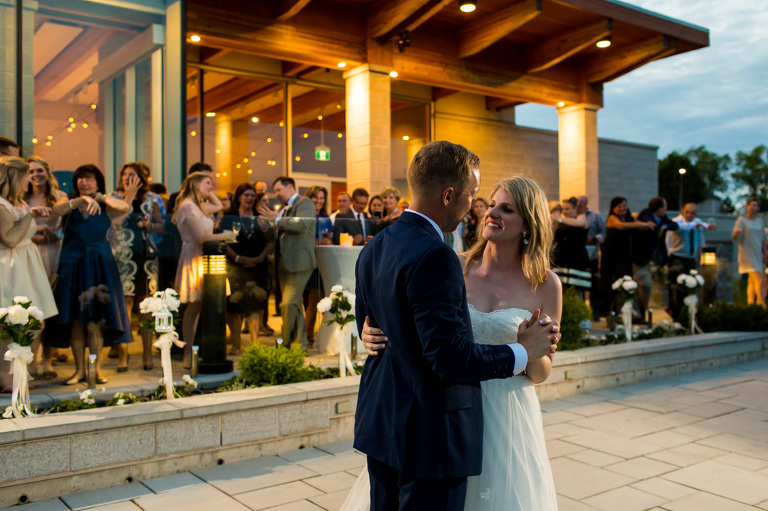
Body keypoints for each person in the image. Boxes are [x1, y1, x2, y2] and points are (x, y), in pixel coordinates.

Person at [348, 141, 559, 511]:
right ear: (449, 195)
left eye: (505, 208)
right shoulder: (448, 261)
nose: (485, 210)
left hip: (499, 417)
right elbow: (441, 352)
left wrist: (535, 353)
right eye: (483, 200)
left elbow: (541, 371)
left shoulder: (377, 244)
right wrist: (369, 335)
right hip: (438, 421)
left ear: (530, 224)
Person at [47, 164, 132, 385]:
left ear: (98, 182)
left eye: (90, 178)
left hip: (98, 263)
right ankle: (78, 371)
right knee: (75, 319)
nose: (85, 182)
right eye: (81, 178)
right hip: (72, 263)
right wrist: (81, 200)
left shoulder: (106, 203)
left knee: (96, 320)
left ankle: (96, 369)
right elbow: (56, 211)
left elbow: (124, 208)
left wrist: (100, 198)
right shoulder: (68, 201)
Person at [0, 156, 58, 390]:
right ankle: (6, 378)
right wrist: (30, 217)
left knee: (34, 321)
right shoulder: (2, 206)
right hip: (11, 266)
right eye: (26, 175)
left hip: (27, 264)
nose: (29, 180)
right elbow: (10, 239)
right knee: (11, 322)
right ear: (14, 178)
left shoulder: (19, 202)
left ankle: (21, 372)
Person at [174, 172, 236, 368]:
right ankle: (188, 351)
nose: (211, 187)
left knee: (202, 305)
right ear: (195, 184)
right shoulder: (186, 206)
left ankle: (202, 348)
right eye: (207, 183)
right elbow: (200, 236)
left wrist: (207, 192)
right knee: (194, 306)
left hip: (207, 256)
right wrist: (226, 235)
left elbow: (219, 206)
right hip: (194, 255)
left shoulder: (200, 206)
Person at [109, 162, 164, 371]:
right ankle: (124, 356)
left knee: (147, 307)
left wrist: (148, 225)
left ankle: (147, 355)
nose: (127, 179)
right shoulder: (114, 197)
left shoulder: (152, 199)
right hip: (123, 256)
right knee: (125, 306)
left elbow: (161, 225)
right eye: (124, 175)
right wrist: (129, 197)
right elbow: (115, 222)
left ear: (141, 178)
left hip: (145, 256)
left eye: (132, 175)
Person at [257, 176, 316, 350]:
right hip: (283, 263)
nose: (276, 194)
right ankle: (299, 344)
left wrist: (276, 220)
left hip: (301, 262)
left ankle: (286, 343)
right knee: (295, 304)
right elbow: (280, 233)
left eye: (278, 190)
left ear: (290, 187)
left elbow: (302, 225)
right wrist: (267, 226)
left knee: (288, 303)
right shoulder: (282, 209)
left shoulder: (305, 203)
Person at [25, 156, 68, 378]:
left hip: (53, 252)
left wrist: (51, 233)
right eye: (31, 171)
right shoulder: (23, 198)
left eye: (39, 170)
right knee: (34, 309)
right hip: (31, 255)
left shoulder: (59, 197)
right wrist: (37, 234)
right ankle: (30, 359)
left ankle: (47, 360)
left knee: (50, 308)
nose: (35, 175)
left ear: (47, 171)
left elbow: (63, 228)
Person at [219, 183, 273, 354]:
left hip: (258, 266)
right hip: (235, 266)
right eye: (246, 195)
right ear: (239, 197)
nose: (249, 198)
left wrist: (260, 258)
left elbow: (271, 240)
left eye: (252, 196)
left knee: (255, 304)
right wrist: (237, 258)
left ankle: (255, 344)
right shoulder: (229, 217)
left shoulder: (260, 216)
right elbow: (222, 241)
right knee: (234, 305)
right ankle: (236, 344)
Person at [599, 197, 653, 317]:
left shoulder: (630, 219)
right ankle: (613, 314)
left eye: (624, 205)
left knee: (627, 285)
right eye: (619, 206)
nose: (622, 208)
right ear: (613, 208)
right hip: (612, 259)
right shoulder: (613, 219)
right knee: (613, 286)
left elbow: (637, 228)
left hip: (626, 258)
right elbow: (621, 226)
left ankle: (630, 313)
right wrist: (642, 223)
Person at [665, 202, 716, 319]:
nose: (689, 215)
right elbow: (671, 239)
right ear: (682, 210)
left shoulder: (697, 222)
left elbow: (701, 235)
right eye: (687, 212)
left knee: (691, 285)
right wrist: (668, 258)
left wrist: (708, 227)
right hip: (677, 256)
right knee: (676, 287)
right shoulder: (676, 222)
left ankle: (689, 312)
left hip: (690, 258)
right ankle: (675, 312)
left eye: (693, 213)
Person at [632, 197, 679, 321]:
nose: (666, 209)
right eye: (665, 206)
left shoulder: (662, 218)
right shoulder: (645, 215)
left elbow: (674, 225)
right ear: (659, 208)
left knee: (646, 286)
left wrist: (663, 225)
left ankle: (641, 313)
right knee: (642, 285)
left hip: (649, 259)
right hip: (639, 257)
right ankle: (638, 314)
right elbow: (652, 226)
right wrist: (662, 226)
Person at [303, 185, 332, 348]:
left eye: (322, 198)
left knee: (319, 298)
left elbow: (330, 237)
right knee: (311, 301)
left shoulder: (325, 217)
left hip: (323, 262)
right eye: (316, 198)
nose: (319, 201)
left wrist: (327, 240)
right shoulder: (305, 215)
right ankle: (308, 336)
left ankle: (318, 334)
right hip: (308, 262)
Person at [732, 198, 766, 306]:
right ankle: (762, 305)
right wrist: (737, 233)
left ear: (758, 208)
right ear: (747, 207)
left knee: (752, 281)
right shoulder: (741, 220)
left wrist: (764, 254)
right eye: (750, 205)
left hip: (757, 253)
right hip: (746, 253)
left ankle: (751, 305)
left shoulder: (760, 221)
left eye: (755, 205)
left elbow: (763, 239)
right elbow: (734, 238)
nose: (752, 207)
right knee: (759, 278)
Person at [551, 197, 589, 272]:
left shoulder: (581, 217)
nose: (564, 212)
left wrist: (560, 219)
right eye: (563, 209)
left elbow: (579, 223)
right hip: (561, 256)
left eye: (567, 209)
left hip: (577, 256)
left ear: (575, 209)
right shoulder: (560, 221)